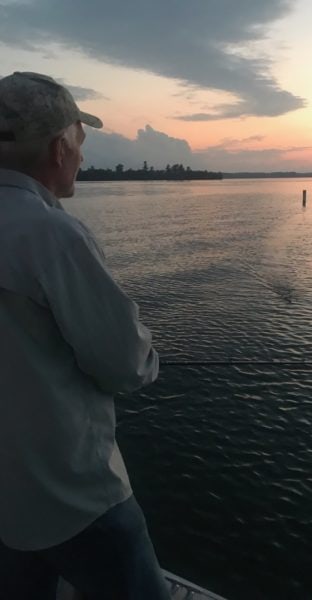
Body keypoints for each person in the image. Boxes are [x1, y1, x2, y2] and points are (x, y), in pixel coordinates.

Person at [0, 72, 171, 600]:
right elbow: (125, 366)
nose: (81, 156)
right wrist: (148, 356)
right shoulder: (51, 234)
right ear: (59, 148)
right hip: (73, 498)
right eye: (80, 142)